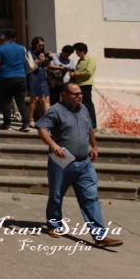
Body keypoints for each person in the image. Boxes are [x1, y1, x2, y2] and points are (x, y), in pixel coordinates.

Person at [36, 83, 122, 248]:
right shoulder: (56, 110)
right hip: (62, 162)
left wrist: (94, 146)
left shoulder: (83, 109)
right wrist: (53, 145)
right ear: (64, 94)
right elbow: (42, 128)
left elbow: (89, 129)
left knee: (91, 198)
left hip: (84, 162)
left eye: (80, 93)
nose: (79, 96)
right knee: (56, 196)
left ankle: (100, 235)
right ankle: (54, 224)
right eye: (75, 94)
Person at [0, 31, 29, 131]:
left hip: (6, 77)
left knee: (6, 101)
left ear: (5, 38)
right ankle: (26, 124)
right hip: (21, 76)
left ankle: (7, 124)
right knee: (21, 101)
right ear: (15, 38)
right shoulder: (22, 48)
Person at [69, 42, 98, 129]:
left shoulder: (90, 59)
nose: (76, 53)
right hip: (78, 85)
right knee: (79, 104)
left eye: (77, 51)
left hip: (85, 85)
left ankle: (93, 124)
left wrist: (75, 74)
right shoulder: (79, 60)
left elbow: (88, 72)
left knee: (87, 104)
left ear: (82, 51)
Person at [26, 36, 51, 127]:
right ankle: (30, 119)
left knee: (46, 99)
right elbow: (29, 66)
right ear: (35, 44)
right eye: (40, 45)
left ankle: (47, 120)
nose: (41, 47)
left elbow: (46, 65)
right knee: (34, 99)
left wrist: (49, 59)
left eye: (43, 45)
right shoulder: (29, 52)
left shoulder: (42, 53)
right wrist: (38, 60)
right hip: (34, 77)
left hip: (43, 77)